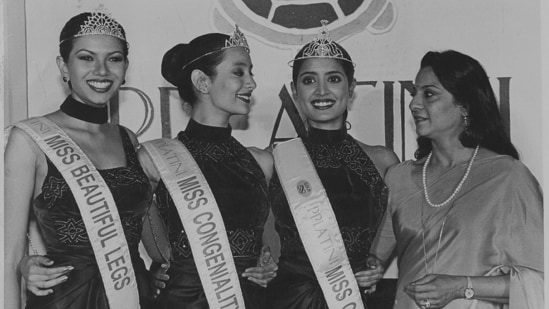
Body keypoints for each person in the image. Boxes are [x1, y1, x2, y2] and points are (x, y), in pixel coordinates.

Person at [4, 9, 163, 309]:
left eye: (113, 59)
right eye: (86, 58)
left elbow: (147, 233)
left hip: (134, 295)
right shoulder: (30, 139)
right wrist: (25, 265)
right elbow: (9, 253)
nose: (101, 71)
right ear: (63, 66)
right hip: (66, 299)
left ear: (125, 67)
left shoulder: (128, 139)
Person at [364, 50, 543, 308]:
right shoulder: (400, 177)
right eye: (415, 93)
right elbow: (374, 260)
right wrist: (370, 268)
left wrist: (461, 287)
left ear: (465, 105)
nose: (414, 103)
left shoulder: (508, 176)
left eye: (429, 94)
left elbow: (539, 280)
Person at [139, 27, 277, 309]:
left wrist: (268, 263)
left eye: (251, 72)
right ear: (202, 81)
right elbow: (137, 237)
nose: (251, 83)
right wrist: (152, 273)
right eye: (239, 72)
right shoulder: (155, 158)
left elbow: (270, 243)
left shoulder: (260, 162)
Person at [267, 21, 399, 309]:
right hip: (288, 300)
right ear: (295, 90)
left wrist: (378, 261)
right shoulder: (274, 159)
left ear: (351, 88)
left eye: (334, 79)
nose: (322, 90)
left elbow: (398, 228)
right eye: (309, 80)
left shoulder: (382, 161)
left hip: (356, 298)